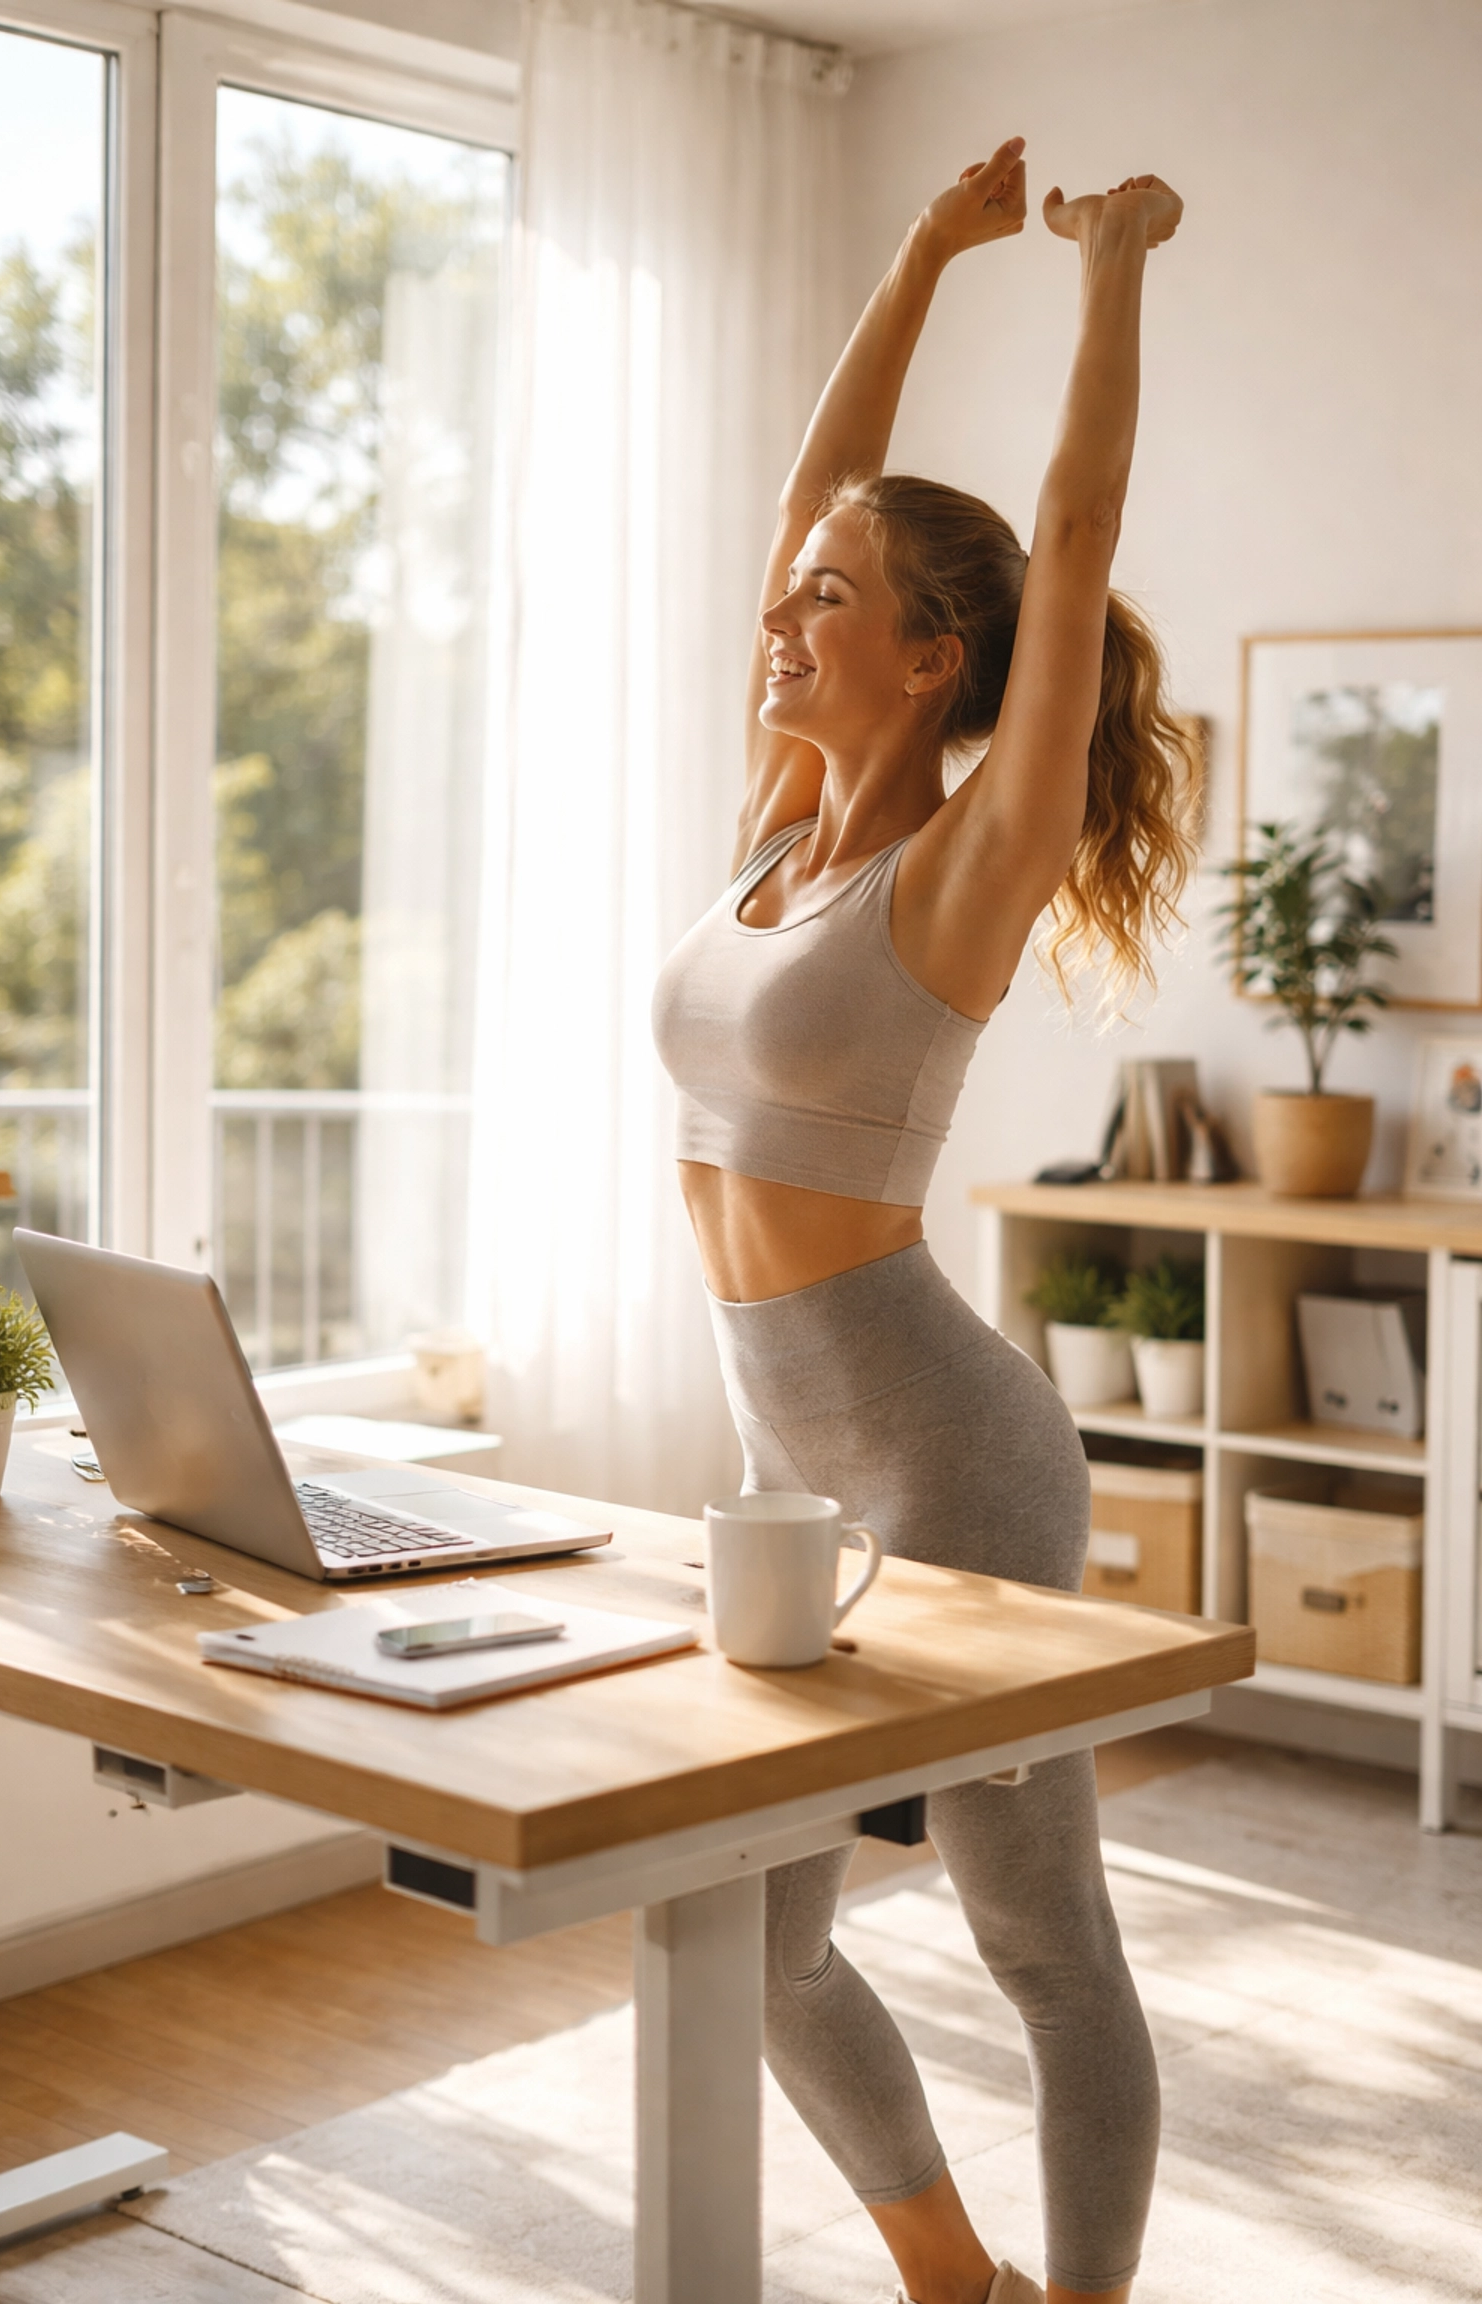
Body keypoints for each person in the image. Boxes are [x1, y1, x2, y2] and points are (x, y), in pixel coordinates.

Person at [652, 136, 1191, 2304]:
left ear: (936, 656)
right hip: (784, 1457)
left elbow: (1070, 537)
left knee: (1036, 1933)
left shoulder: (967, 868)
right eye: (791, 593)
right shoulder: (778, 824)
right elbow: (822, 492)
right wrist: (917, 254)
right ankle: (946, 2275)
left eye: (829, 599)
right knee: (759, 1940)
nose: (783, 613)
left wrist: (1107, 274)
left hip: (949, 1459)